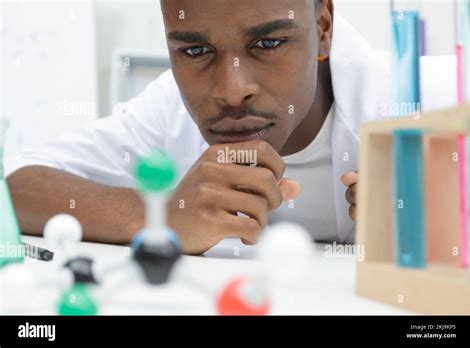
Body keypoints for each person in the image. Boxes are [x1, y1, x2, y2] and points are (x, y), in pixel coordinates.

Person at [7, 0, 388, 254]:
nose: (232, 91)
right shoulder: (167, 111)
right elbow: (14, 186)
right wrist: (159, 215)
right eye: (195, 51)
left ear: (322, 27)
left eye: (268, 42)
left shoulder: (423, 100)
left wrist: (441, 223)